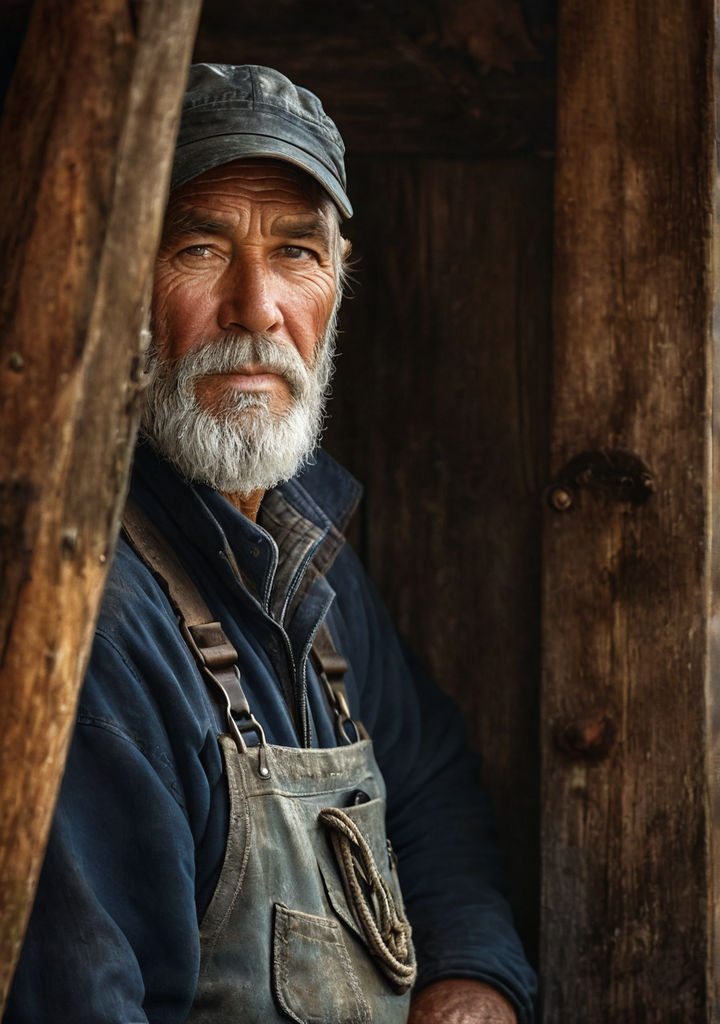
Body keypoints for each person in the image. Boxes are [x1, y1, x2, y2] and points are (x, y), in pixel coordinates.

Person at [5, 64, 536, 1023]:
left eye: (296, 251)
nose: (256, 307)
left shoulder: (303, 552)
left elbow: (430, 790)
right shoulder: (93, 633)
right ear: (120, 281)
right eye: (200, 249)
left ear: (336, 283)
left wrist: (471, 980)